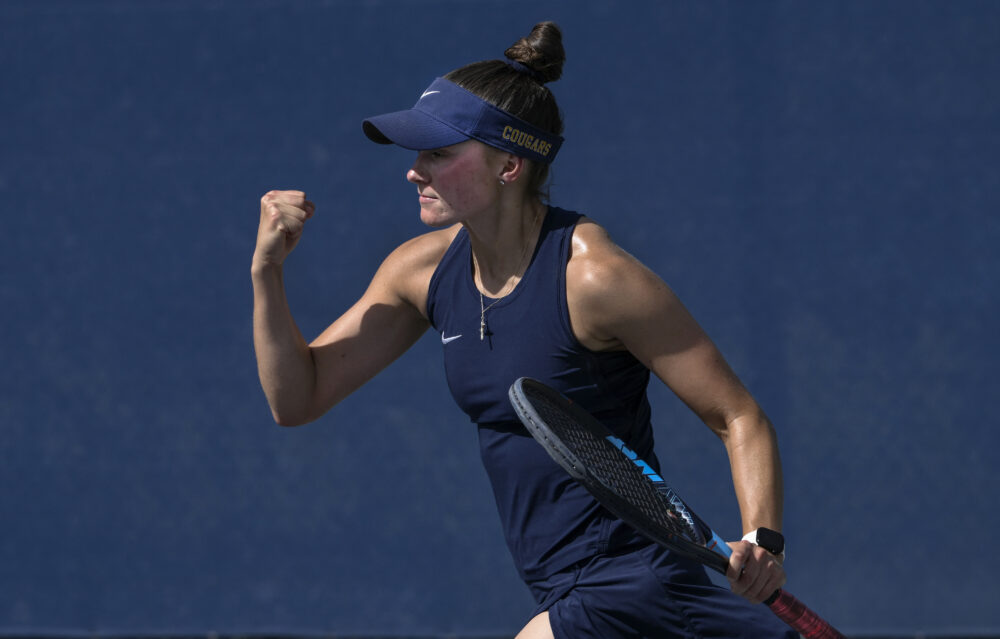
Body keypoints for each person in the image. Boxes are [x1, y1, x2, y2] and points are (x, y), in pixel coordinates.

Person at [252, 21, 796, 639]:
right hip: (569, 587)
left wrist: (763, 539)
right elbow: (297, 398)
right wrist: (267, 272)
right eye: (417, 153)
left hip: (629, 581)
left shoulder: (594, 278)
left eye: (439, 152)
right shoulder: (420, 272)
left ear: (509, 163)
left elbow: (738, 416)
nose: (414, 171)